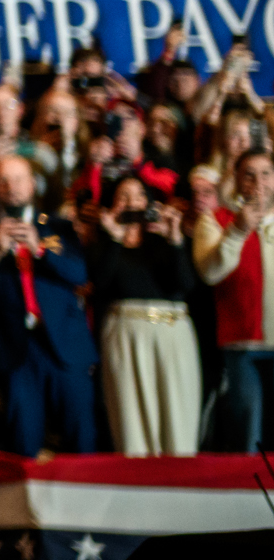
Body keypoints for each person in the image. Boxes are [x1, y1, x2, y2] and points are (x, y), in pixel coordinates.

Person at [0, 154, 97, 456]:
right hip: (14, 351)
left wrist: (41, 250)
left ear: (33, 184)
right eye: (4, 180)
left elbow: (80, 274)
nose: (12, 186)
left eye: (19, 179)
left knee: (81, 438)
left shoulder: (57, 227)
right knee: (22, 443)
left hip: (63, 347)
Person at [88, 173, 199, 457]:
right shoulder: (103, 244)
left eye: (138, 196)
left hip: (172, 333)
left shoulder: (164, 240)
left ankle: (179, 482)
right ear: (111, 205)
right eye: (122, 196)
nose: (131, 202)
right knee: (131, 419)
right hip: (125, 333)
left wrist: (175, 239)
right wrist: (113, 237)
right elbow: (100, 283)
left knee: (176, 415)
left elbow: (185, 284)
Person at [194, 149, 274, 449]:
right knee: (248, 433)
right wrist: (239, 230)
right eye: (249, 174)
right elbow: (211, 272)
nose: (259, 182)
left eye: (266, 173)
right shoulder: (214, 221)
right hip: (242, 346)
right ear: (237, 180)